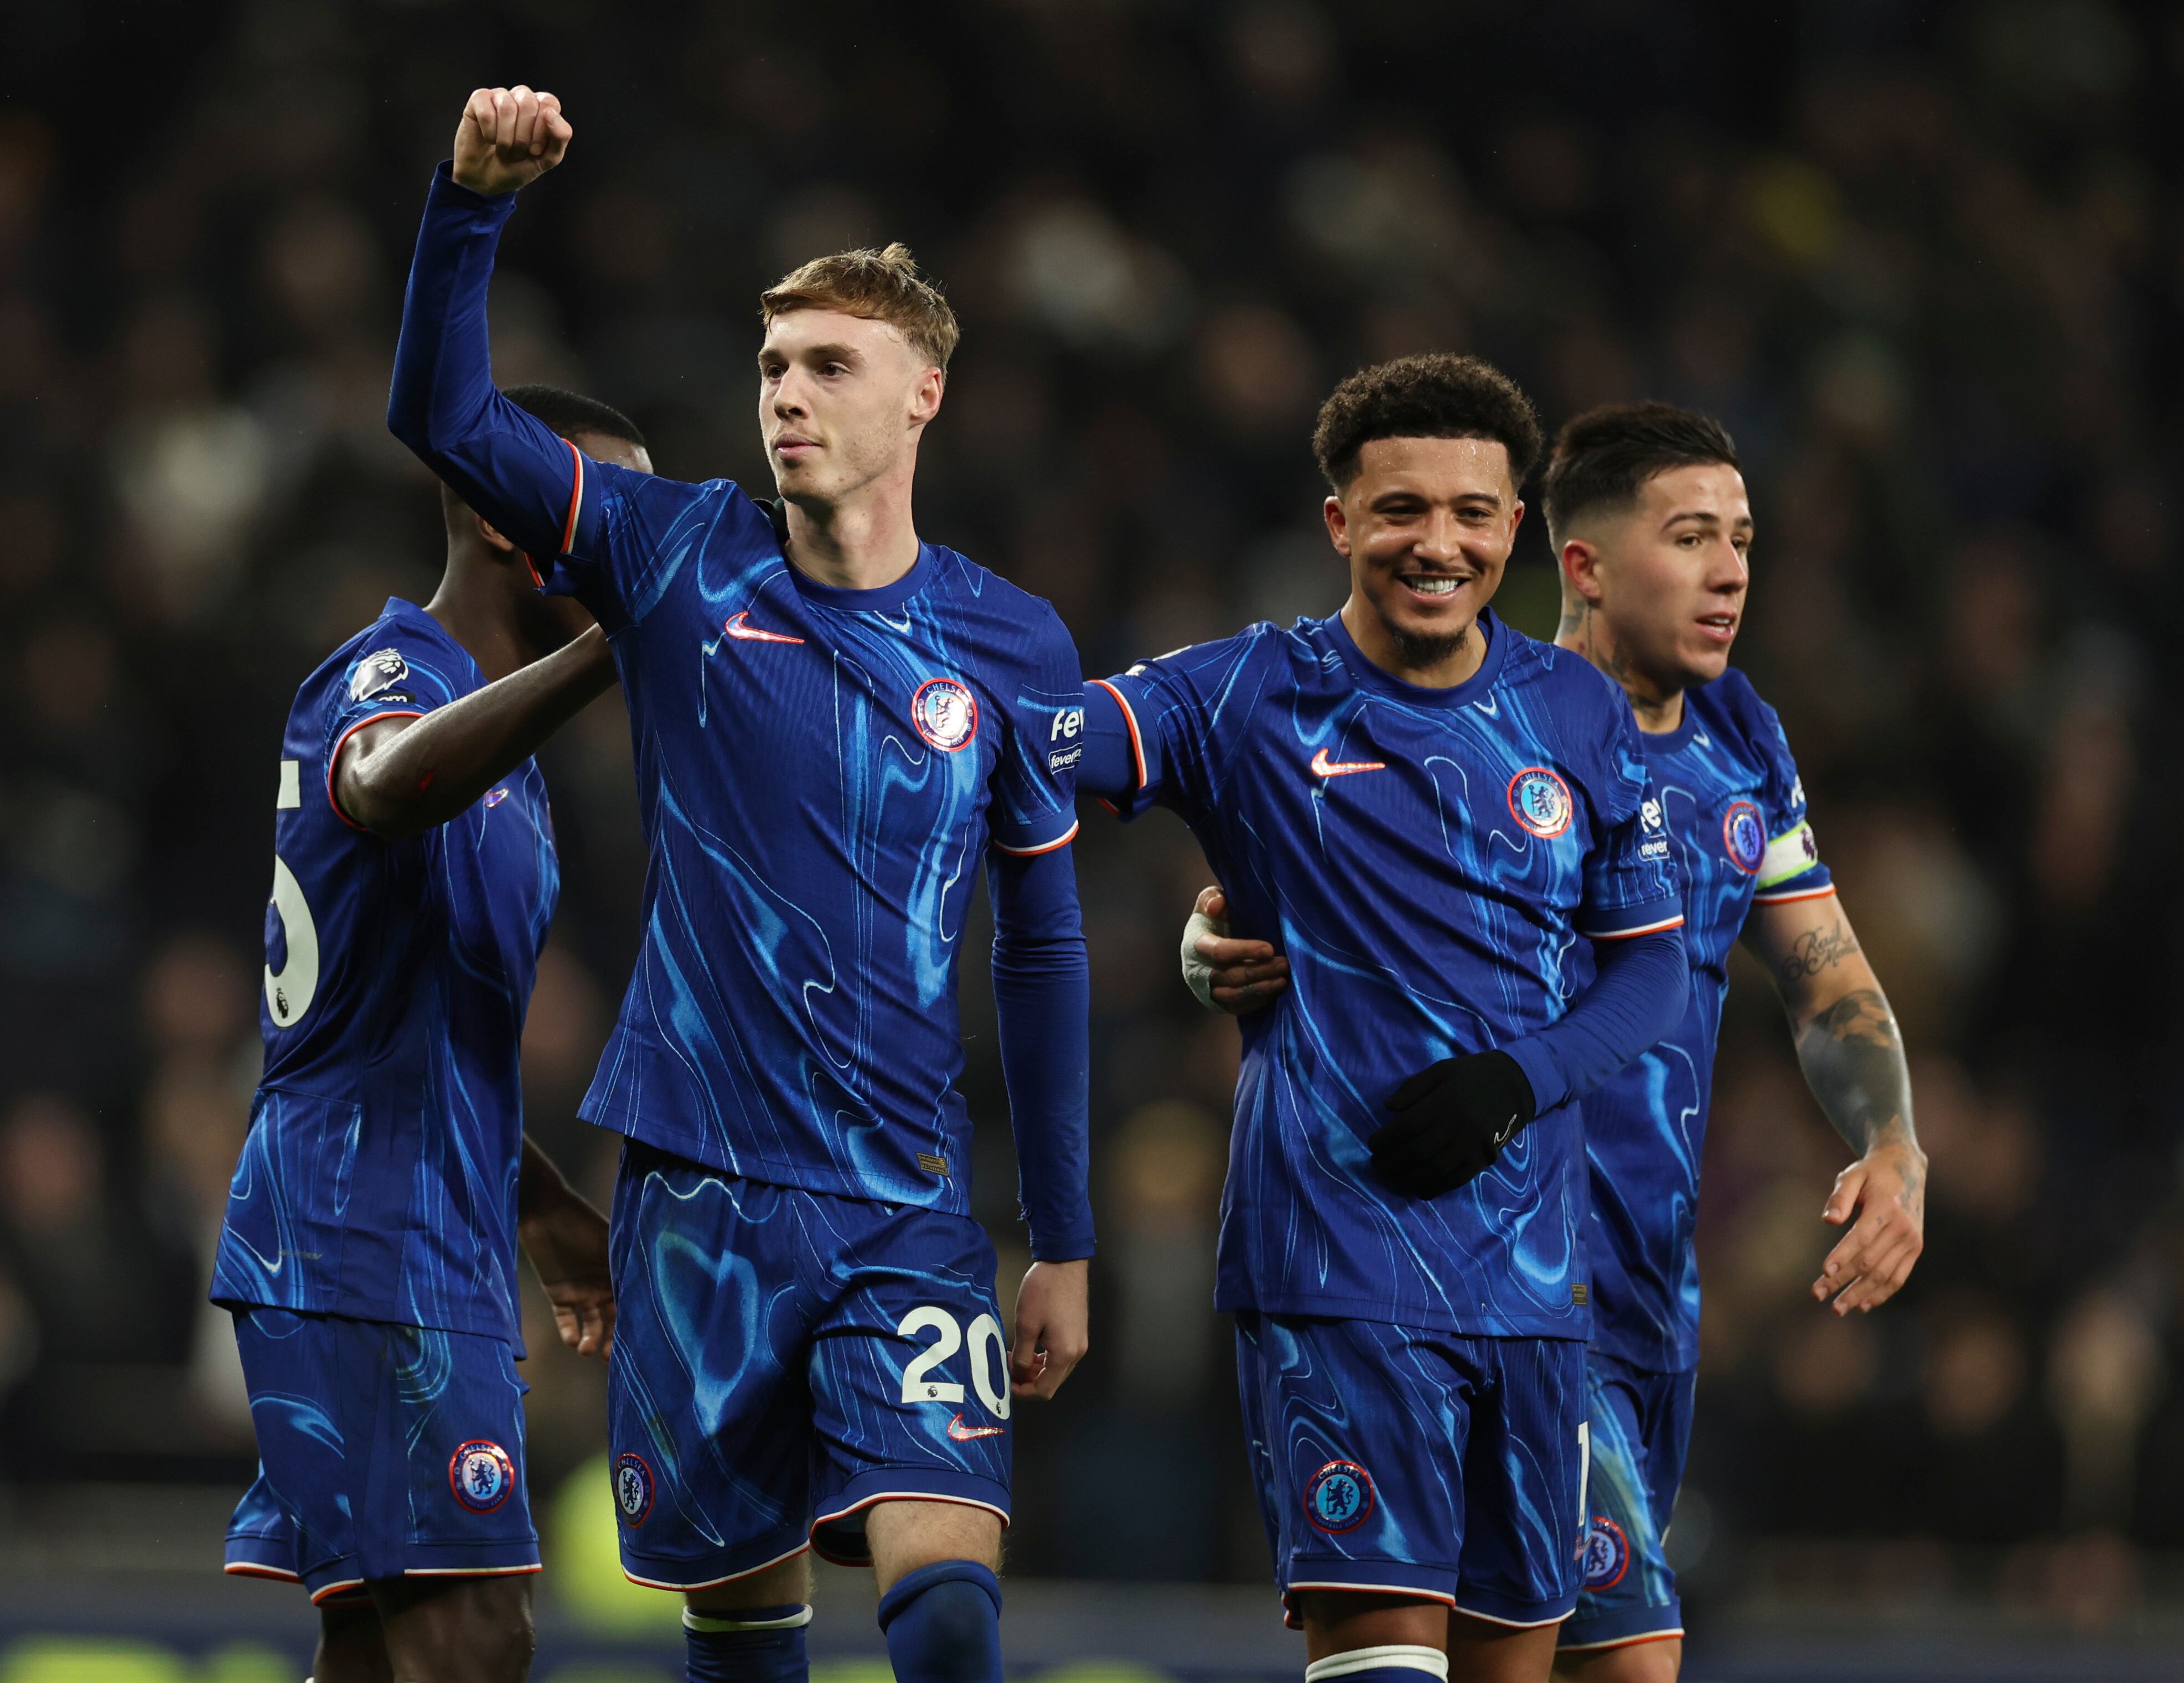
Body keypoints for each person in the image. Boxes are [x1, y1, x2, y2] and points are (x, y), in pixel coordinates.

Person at [385, 85, 1094, 1683]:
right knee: (744, 1625)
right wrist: (469, 206)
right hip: (698, 1191)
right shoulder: (678, 553)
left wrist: (1063, 1234)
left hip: (907, 1197)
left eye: (828, 365)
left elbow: (1041, 949)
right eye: (772, 363)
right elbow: (443, 416)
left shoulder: (1010, 641)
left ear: (922, 394)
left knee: (952, 1598)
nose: (786, 393)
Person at [1185, 403, 1928, 1682]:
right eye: (1691, 537)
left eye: (1741, 539)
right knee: (1628, 1665)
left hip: (1650, 1288)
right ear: (1579, 563)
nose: (1731, 570)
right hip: (1498, 1266)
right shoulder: (1484, 727)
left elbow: (1824, 977)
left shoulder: (1742, 742)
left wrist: (1893, 1139)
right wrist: (1206, 950)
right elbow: (1281, 863)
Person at [1074, 354, 1691, 1683]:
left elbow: (1647, 973)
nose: (1438, 542)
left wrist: (1518, 1082)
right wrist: (1187, 941)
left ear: (1514, 529)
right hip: (1335, 1257)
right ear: (1339, 523)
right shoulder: (1243, 692)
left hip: (1532, 1282)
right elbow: (1038, 758)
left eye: (1472, 513)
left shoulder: (1574, 709)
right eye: (1400, 508)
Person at [210, 386, 649, 1683]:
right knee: (472, 1635)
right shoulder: (391, 677)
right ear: (520, 527)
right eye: (613, 515)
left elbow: (401, 1019)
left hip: (421, 1223)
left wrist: (537, 1198)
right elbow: (385, 782)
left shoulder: (511, 754)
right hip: (361, 1229)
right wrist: (610, 644)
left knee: (379, 1643)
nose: (638, 551)